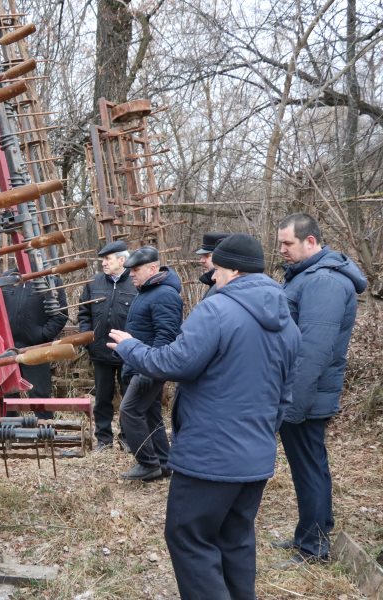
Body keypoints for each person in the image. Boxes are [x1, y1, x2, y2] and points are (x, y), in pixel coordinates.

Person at [108, 233, 301, 600]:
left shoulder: (217, 310)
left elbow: (175, 362)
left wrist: (131, 347)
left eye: (215, 269)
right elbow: (284, 395)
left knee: (189, 537)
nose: (211, 276)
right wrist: (260, 436)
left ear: (231, 269)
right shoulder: (286, 321)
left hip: (210, 457)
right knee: (236, 538)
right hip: (256, 456)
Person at [274, 213, 367, 566]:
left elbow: (313, 350)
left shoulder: (324, 282)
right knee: (312, 463)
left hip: (306, 393)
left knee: (308, 467)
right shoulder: (307, 276)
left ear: (310, 242)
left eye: (287, 244)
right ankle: (314, 529)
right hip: (306, 391)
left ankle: (313, 546)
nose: (281, 250)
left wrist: (292, 402)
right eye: (280, 242)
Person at [117, 246, 182, 480]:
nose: (131, 274)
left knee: (130, 410)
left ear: (153, 268)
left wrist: (151, 368)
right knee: (151, 413)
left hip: (150, 366)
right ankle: (164, 463)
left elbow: (166, 336)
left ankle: (147, 462)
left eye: (136, 269)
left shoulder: (164, 294)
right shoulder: (146, 292)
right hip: (142, 364)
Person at [77, 240, 137, 450]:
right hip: (100, 350)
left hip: (127, 352)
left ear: (122, 260)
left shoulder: (135, 283)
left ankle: (127, 438)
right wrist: (89, 339)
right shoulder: (94, 283)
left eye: (108, 259)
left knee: (129, 396)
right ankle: (103, 438)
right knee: (102, 397)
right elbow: (84, 313)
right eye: (102, 259)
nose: (103, 263)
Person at [2, 271, 69, 419]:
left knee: (40, 393)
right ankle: (8, 432)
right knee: (6, 394)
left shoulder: (50, 280)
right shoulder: (6, 279)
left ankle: (45, 431)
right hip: (6, 349)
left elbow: (61, 315)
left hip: (35, 348)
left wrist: (42, 335)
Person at [195, 231, 230, 299]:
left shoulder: (224, 288)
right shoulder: (216, 284)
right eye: (202, 256)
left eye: (207, 256)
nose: (201, 261)